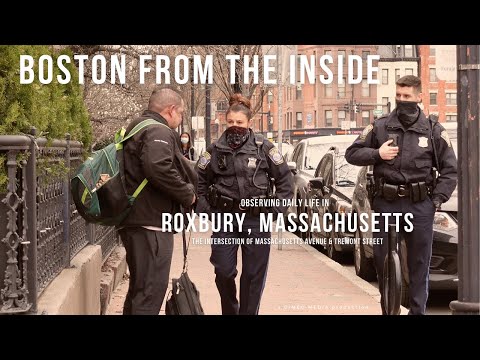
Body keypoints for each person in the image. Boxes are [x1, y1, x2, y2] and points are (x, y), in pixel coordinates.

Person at [345, 75, 457, 315]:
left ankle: (417, 312)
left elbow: (450, 170)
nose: (402, 100)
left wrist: (436, 201)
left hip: (419, 206)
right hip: (387, 203)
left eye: (407, 96)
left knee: (419, 267)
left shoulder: (433, 129)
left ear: (418, 97)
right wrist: (377, 154)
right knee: (381, 260)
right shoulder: (380, 126)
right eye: (399, 96)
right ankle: (389, 309)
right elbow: (352, 153)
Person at [195, 94, 294, 315]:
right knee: (223, 270)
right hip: (225, 219)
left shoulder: (264, 149)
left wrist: (274, 211)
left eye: (239, 123)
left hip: (256, 220)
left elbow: (286, 182)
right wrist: (210, 213)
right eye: (230, 122)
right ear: (224, 121)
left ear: (250, 123)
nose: (234, 126)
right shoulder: (212, 151)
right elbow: (198, 185)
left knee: (253, 276)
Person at [119, 88, 197, 315]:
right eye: (181, 113)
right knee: (150, 294)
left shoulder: (139, 126)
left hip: (137, 220)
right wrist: (187, 194)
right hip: (151, 225)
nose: (180, 118)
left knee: (140, 291)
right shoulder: (157, 130)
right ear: (171, 110)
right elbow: (158, 167)